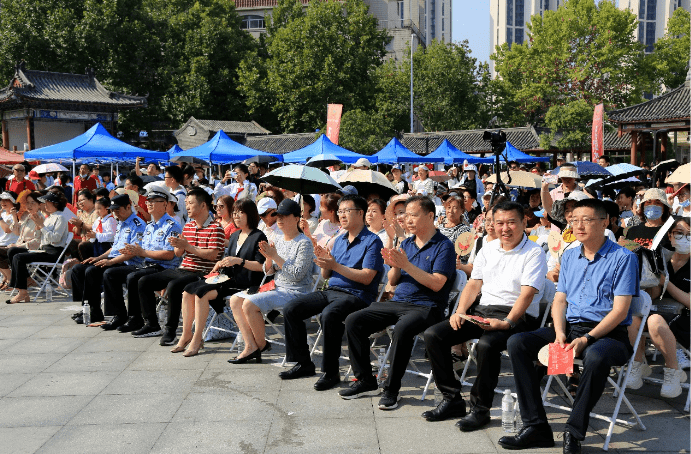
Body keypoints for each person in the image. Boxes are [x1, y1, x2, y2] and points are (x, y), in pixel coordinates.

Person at [500, 198, 638, 454]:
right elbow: (560, 299)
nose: (578, 225)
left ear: (605, 222)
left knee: (595, 356)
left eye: (586, 219)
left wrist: (587, 339)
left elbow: (620, 311)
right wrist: (560, 332)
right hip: (570, 327)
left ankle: (573, 432)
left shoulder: (623, 257)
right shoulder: (570, 254)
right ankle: (536, 427)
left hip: (608, 334)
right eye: (574, 220)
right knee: (517, 343)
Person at [420, 201, 546, 428]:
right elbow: (474, 284)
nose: (505, 228)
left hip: (518, 316)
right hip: (483, 311)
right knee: (434, 335)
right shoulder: (488, 247)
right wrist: (460, 312)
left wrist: (507, 322)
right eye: (499, 223)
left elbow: (526, 296)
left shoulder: (534, 252)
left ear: (524, 222)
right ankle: (452, 398)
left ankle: (480, 409)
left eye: (511, 222)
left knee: (487, 346)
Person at [341, 196, 457, 408]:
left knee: (402, 329)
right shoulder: (406, 243)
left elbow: (437, 284)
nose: (408, 219)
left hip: (427, 306)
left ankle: (391, 389)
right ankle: (366, 379)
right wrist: (395, 264)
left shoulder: (444, 246)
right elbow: (393, 281)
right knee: (353, 320)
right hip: (398, 301)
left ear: (430, 216)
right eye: (406, 215)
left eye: (414, 215)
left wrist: (406, 264)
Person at [278, 194, 384, 389]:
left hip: (357, 295)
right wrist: (325, 261)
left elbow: (367, 277)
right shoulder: (340, 239)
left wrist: (334, 265)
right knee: (292, 308)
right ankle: (303, 363)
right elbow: (327, 275)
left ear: (360, 213)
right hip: (333, 290)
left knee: (330, 315)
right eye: (340, 211)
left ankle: (331, 371)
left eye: (346, 211)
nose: (342, 215)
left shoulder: (373, 241)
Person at [227, 199, 315, 363]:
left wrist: (274, 256)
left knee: (249, 304)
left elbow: (296, 275)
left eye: (285, 216)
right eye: (278, 215)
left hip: (296, 291)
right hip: (276, 287)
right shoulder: (279, 239)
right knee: (235, 299)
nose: (279, 219)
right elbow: (268, 271)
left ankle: (257, 346)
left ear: (297, 218)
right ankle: (251, 344)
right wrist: (269, 259)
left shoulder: (304, 243)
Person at [176, 199, 266, 356]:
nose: (236, 216)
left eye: (241, 212)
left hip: (246, 282)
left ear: (250, 214)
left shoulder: (259, 236)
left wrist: (239, 261)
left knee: (201, 293)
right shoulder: (235, 235)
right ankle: (186, 335)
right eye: (235, 212)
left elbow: (261, 266)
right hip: (228, 278)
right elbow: (231, 260)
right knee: (187, 291)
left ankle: (197, 339)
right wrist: (221, 263)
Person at [135, 188, 225, 344]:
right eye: (186, 203)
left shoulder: (216, 228)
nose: (187, 207)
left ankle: (170, 330)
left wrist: (187, 246)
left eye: (190, 203)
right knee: (144, 281)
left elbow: (213, 255)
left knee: (174, 285)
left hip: (202, 272)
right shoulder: (188, 226)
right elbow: (178, 254)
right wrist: (177, 245)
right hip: (183, 269)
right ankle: (152, 324)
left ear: (203, 205)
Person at [98, 187, 183, 331]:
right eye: (148, 201)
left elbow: (169, 255)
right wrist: (132, 250)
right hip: (148, 264)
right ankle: (122, 316)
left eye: (154, 201)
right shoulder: (150, 226)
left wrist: (142, 252)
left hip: (166, 267)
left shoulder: (172, 225)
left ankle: (143, 321)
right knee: (111, 274)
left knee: (135, 277)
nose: (149, 204)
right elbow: (141, 248)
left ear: (165, 204)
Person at [626, 217, 690, 398]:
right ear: (669, 236)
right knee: (632, 317)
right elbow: (653, 296)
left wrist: (665, 282)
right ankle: (638, 363)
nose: (684, 238)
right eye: (679, 233)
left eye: (689, 235)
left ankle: (672, 370)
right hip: (658, 312)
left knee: (653, 320)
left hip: (684, 318)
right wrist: (652, 279)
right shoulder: (662, 260)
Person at [69, 194, 146, 323]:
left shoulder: (138, 224)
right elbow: (114, 247)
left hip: (128, 262)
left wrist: (110, 261)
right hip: (115, 259)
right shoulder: (121, 223)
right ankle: (88, 309)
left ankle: (114, 314)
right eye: (113, 210)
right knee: (78, 269)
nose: (115, 213)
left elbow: (132, 252)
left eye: (118, 210)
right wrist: (98, 257)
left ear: (128, 207)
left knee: (93, 271)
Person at [6, 192, 70, 304]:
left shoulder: (60, 218)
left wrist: (41, 226)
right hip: (43, 249)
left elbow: (55, 239)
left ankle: (22, 292)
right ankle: (24, 284)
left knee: (18, 257)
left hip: (53, 253)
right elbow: (40, 237)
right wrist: (38, 227)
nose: (44, 204)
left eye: (47, 202)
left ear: (54, 204)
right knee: (13, 251)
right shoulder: (49, 217)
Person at [0, 191, 43, 289]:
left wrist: (17, 245)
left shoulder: (40, 218)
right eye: (27, 203)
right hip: (20, 247)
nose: (29, 205)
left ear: (40, 205)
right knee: (10, 251)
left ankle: (14, 281)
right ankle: (23, 279)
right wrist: (15, 216)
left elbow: (37, 241)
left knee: (12, 251)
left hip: (31, 249)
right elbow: (17, 232)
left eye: (32, 203)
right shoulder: (27, 216)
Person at [68, 190, 99, 261]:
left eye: (82, 200)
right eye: (79, 201)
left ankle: (86, 264)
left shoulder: (97, 212)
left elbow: (95, 228)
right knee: (72, 242)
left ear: (91, 200)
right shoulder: (81, 214)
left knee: (83, 245)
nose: (80, 203)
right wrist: (78, 225)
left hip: (95, 241)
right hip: (84, 240)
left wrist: (82, 224)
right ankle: (78, 262)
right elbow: (77, 233)